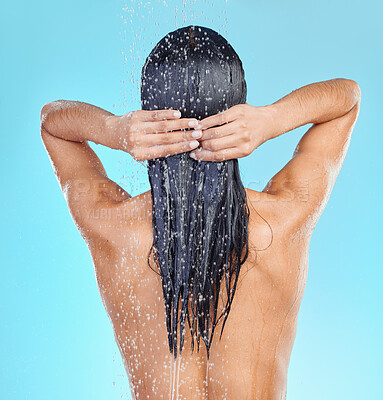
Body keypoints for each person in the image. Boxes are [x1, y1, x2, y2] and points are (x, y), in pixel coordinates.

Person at [40, 25, 361, 400]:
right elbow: (347, 98)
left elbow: (52, 123)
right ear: (237, 114)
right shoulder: (283, 220)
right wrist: (271, 120)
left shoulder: (114, 226)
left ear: (149, 115)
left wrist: (115, 130)